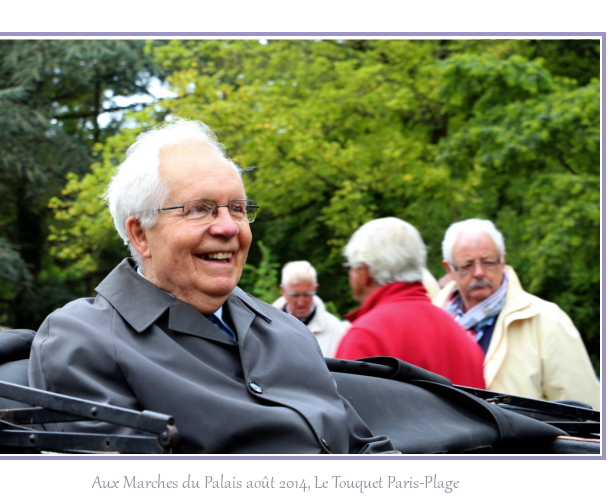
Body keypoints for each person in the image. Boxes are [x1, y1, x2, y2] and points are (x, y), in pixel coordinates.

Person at [28, 119, 397, 454]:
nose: (229, 227)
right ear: (140, 234)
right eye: (200, 209)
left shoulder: (286, 330)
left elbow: (362, 449)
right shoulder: (82, 340)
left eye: (237, 208)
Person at [432, 218, 600, 409]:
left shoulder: (546, 319)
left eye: (488, 263)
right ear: (449, 269)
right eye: (467, 265)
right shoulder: (432, 321)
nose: (478, 272)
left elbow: (584, 409)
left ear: (502, 261)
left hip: (525, 430)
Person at [334, 217, 486, 388]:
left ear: (365, 272)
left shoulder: (365, 337)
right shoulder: (462, 337)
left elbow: (345, 402)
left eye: (351, 267)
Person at [272, 261, 348, 357]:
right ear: (283, 290)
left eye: (306, 294)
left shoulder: (335, 330)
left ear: (315, 289)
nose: (301, 302)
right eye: (295, 295)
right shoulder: (265, 326)